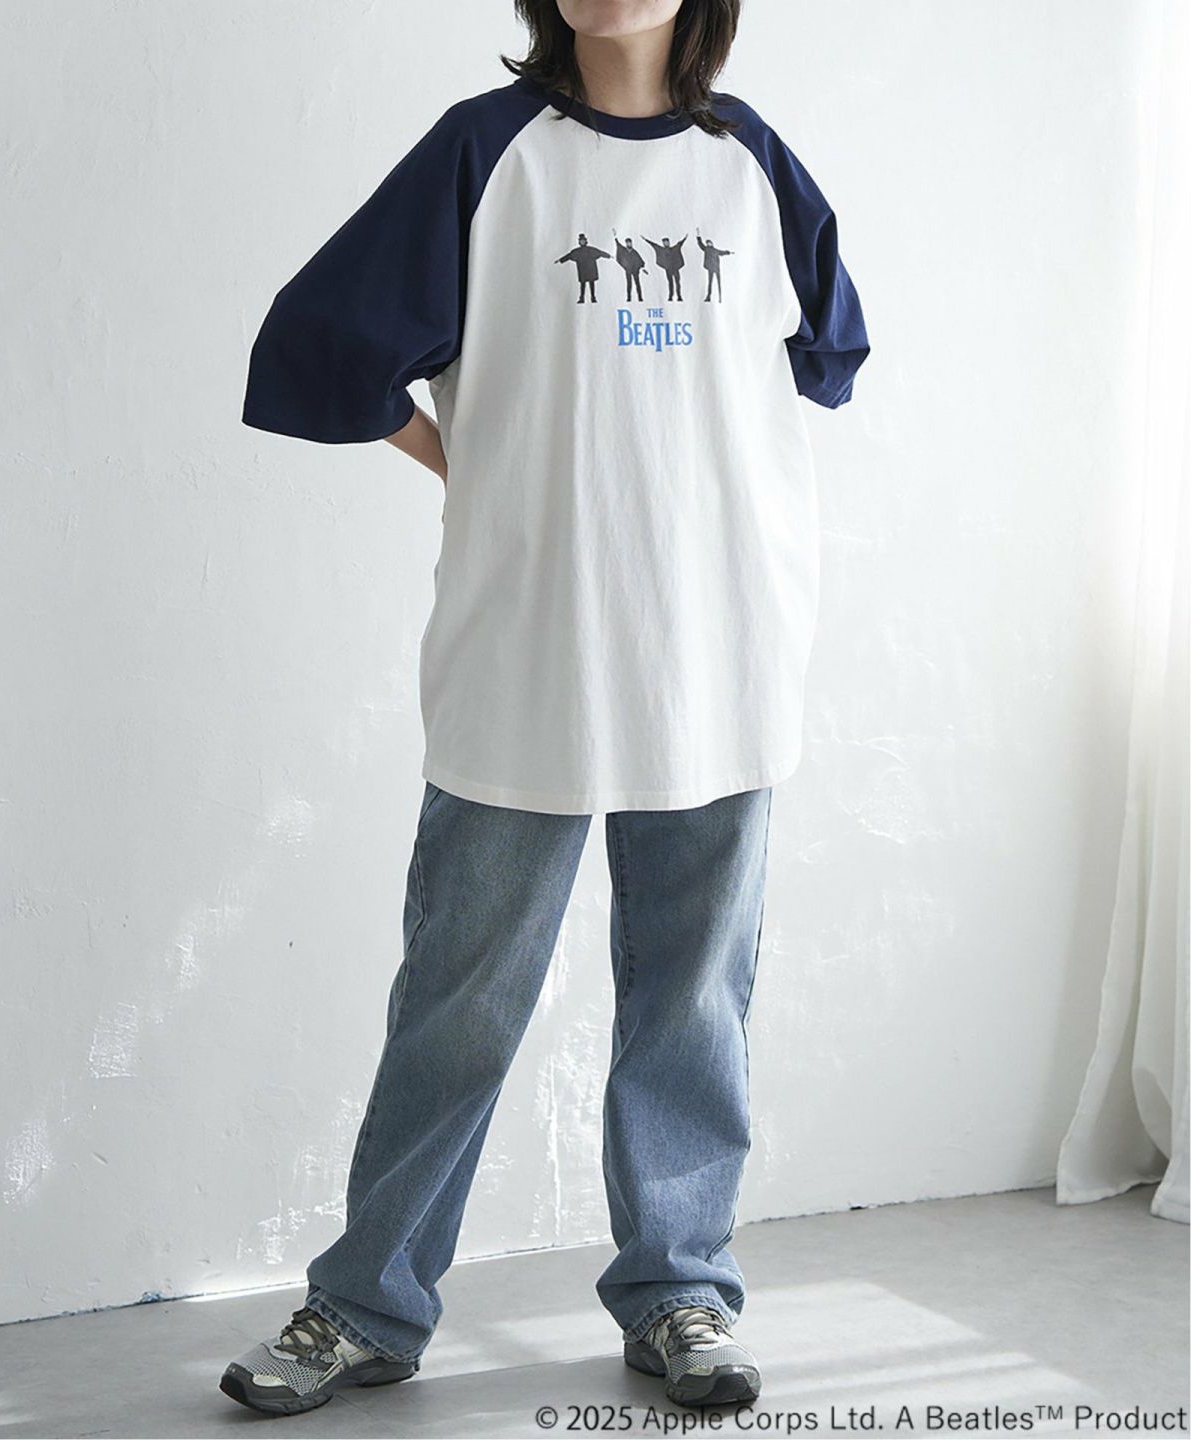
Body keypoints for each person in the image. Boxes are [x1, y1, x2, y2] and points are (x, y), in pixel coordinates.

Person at [225, 0, 869, 1418]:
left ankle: (682, 1289)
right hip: (529, 650)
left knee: (694, 1002)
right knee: (458, 1001)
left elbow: (825, 358)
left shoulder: (753, 165)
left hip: (719, 647)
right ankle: (365, 1305)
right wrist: (471, 462)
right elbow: (323, 344)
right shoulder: (484, 154)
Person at [556, 231, 612, 301]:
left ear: (586, 241)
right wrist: (560, 260)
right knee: (583, 284)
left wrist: (609, 256)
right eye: (581, 241)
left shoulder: (591, 249)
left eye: (583, 241)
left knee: (592, 283)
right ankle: (582, 298)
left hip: (591, 269)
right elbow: (569, 256)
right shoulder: (577, 251)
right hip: (582, 270)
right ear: (579, 242)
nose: (582, 242)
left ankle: (593, 297)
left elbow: (600, 253)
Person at [642, 232, 688, 300]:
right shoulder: (662, 250)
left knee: (677, 283)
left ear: (669, 243)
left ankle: (679, 296)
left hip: (675, 269)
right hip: (668, 269)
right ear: (663, 243)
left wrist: (684, 238)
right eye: (664, 242)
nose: (666, 243)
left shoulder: (674, 249)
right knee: (670, 283)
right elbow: (654, 245)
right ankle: (670, 296)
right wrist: (646, 239)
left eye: (667, 242)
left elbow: (679, 244)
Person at [696, 227, 733, 300]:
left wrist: (728, 252)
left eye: (709, 243)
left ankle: (720, 297)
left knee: (718, 282)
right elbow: (701, 244)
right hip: (711, 268)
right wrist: (698, 236)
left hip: (716, 268)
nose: (708, 244)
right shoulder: (706, 249)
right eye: (707, 243)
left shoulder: (715, 250)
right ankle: (708, 296)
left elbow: (722, 252)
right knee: (710, 282)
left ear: (712, 244)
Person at [613, 227, 647, 301]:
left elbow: (640, 261)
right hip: (628, 270)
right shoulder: (624, 251)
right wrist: (615, 236)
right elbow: (618, 245)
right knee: (629, 284)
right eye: (628, 243)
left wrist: (642, 267)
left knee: (637, 284)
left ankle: (640, 297)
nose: (629, 244)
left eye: (630, 242)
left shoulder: (634, 252)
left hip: (635, 270)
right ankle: (629, 298)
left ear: (632, 243)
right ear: (626, 243)